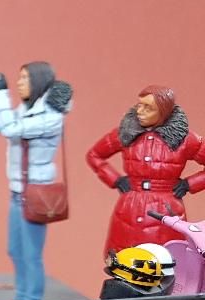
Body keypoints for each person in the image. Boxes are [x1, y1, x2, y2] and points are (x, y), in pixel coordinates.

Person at [0, 63, 72, 300]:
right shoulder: (26, 109)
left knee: (31, 254)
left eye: (25, 78)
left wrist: (2, 93)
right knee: (15, 249)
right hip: (18, 192)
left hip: (35, 194)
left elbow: (10, 129)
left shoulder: (50, 117)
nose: (19, 83)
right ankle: (20, 297)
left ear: (38, 81)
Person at [85, 85, 205, 255]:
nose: (139, 111)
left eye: (148, 108)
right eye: (140, 105)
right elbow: (94, 155)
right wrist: (115, 179)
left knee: (165, 259)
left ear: (163, 111)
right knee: (123, 258)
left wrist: (189, 184)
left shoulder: (185, 139)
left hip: (166, 209)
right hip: (130, 208)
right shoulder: (126, 133)